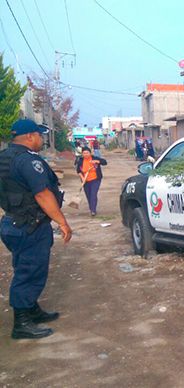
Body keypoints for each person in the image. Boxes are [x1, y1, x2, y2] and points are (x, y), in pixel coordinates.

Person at [0, 119, 72, 339]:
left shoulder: (4, 157)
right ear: (30, 136)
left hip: (12, 222)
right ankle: (21, 323)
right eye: (40, 135)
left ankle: (31, 310)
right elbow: (42, 194)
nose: (42, 139)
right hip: (30, 226)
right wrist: (62, 222)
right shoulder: (28, 161)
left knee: (25, 268)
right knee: (29, 273)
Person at [75, 146, 107, 216]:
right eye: (84, 153)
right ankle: (91, 207)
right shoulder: (80, 161)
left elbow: (104, 162)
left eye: (87, 153)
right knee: (88, 195)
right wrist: (82, 178)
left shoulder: (94, 158)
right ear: (82, 154)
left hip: (95, 179)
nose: (86, 154)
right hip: (85, 181)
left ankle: (93, 210)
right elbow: (78, 171)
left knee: (93, 194)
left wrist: (97, 161)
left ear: (90, 153)